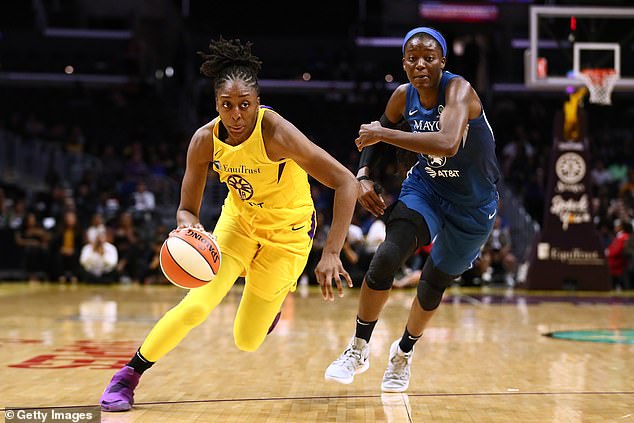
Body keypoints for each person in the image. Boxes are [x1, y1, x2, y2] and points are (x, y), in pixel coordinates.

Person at [99, 37, 359, 412]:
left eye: (245, 105)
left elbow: (345, 182)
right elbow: (186, 209)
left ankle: (269, 310)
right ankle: (128, 376)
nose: (236, 115)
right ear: (215, 104)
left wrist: (332, 252)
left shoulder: (277, 133)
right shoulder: (204, 140)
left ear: (257, 102)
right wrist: (188, 230)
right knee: (195, 307)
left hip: (287, 237)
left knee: (247, 340)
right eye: (227, 105)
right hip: (237, 224)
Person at [325, 27, 500, 393]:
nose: (421, 63)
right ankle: (358, 348)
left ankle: (403, 352)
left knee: (433, 282)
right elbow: (373, 138)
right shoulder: (402, 97)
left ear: (442, 62)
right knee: (387, 257)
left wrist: (383, 134)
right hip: (428, 188)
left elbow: (448, 143)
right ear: (403, 63)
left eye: (429, 57)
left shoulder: (459, 90)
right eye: (412, 58)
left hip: (472, 207)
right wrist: (364, 175)